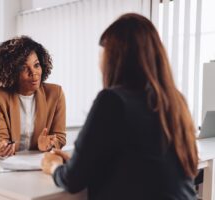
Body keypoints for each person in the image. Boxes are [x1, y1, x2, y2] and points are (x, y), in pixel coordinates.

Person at [41, 13, 198, 200]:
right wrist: (76, 162)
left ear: (114, 57)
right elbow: (136, 163)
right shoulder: (174, 100)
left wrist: (54, 166)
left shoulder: (112, 100)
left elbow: (73, 180)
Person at [0, 36, 66, 157]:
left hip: (39, 164)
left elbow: (59, 138)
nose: (33, 72)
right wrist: (1, 145)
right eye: (24, 67)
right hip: (9, 164)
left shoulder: (55, 93)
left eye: (36, 65)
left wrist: (50, 144)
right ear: (11, 72)